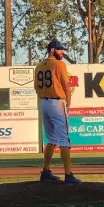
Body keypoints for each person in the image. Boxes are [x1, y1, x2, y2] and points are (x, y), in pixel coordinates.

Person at [34, 39, 81, 185]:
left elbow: (36, 88)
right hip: (57, 102)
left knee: (51, 139)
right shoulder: (59, 64)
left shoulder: (39, 66)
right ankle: (68, 175)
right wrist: (68, 103)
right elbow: (66, 86)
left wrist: (44, 98)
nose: (62, 52)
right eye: (60, 49)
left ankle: (46, 172)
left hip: (44, 103)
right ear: (52, 50)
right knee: (63, 138)